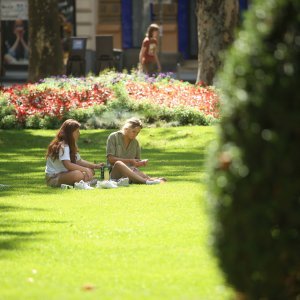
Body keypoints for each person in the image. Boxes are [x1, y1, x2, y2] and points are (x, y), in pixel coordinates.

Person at [45, 119, 104, 188]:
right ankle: (85, 182)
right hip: (54, 178)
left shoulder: (71, 144)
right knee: (78, 174)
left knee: (90, 170)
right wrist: (85, 170)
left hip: (65, 174)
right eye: (77, 131)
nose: (79, 133)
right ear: (70, 133)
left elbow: (79, 161)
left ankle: (84, 181)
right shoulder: (63, 146)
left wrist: (94, 166)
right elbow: (68, 165)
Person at [106, 117, 165, 185]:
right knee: (118, 163)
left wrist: (140, 163)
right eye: (133, 131)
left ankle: (150, 179)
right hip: (114, 173)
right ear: (126, 129)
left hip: (130, 171)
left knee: (134, 170)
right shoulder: (114, 137)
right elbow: (110, 159)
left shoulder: (135, 143)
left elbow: (136, 161)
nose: (135, 134)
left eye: (137, 133)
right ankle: (146, 181)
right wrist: (130, 161)